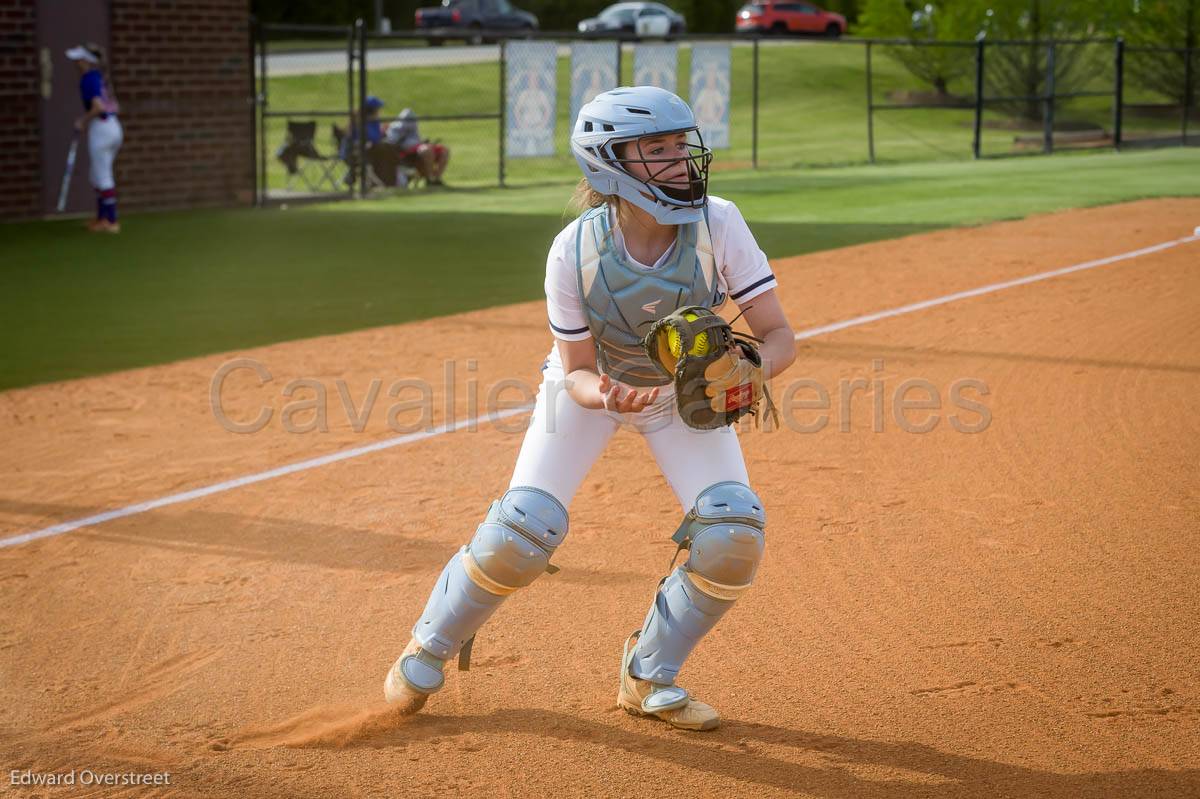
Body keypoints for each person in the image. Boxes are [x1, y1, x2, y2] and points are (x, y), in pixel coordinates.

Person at [382, 86, 797, 731]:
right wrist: (603, 393)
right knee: (521, 531)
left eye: (681, 147)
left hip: (678, 396)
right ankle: (426, 647)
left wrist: (747, 370)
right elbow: (574, 371)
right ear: (609, 163)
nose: (680, 162)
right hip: (592, 389)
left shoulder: (719, 221)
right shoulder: (572, 251)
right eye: (657, 150)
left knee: (732, 533)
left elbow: (778, 336)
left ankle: (648, 675)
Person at [67, 43, 122, 233]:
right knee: (96, 174)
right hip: (114, 126)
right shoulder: (100, 77)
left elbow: (98, 107)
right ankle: (102, 218)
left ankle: (111, 220)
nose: (76, 62)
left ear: (86, 61)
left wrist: (82, 121)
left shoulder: (89, 79)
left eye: (78, 59)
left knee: (102, 174)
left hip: (101, 127)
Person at [384, 108, 450, 186]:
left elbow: (416, 140)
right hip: (405, 153)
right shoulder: (394, 129)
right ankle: (429, 179)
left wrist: (424, 142)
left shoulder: (413, 128)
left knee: (444, 150)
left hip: (417, 148)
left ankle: (437, 178)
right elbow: (391, 142)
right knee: (426, 150)